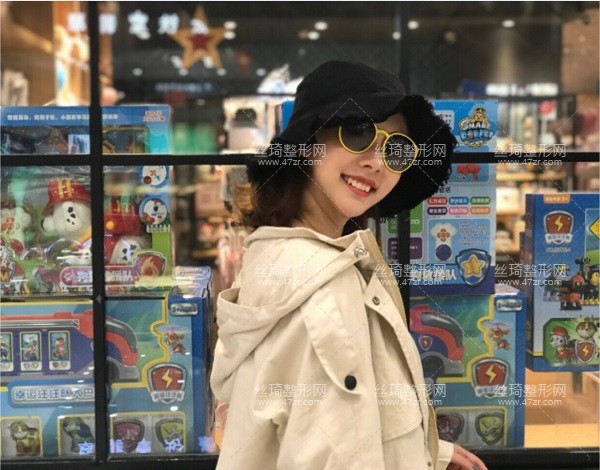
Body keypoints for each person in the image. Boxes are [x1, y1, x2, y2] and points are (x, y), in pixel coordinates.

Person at [211, 61, 487, 470]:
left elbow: (328, 420)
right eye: (359, 133)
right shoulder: (327, 290)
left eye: (397, 150)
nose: (378, 162)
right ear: (308, 143)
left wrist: (425, 452)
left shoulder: (277, 254)